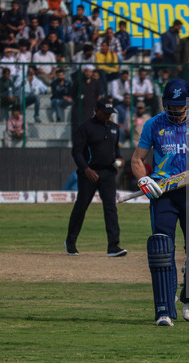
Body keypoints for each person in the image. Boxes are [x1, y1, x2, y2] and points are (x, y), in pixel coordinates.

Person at [130, 79, 189, 327]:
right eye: (172, 105)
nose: (176, 110)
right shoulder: (153, 124)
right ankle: (164, 309)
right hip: (164, 192)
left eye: (181, 106)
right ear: (163, 102)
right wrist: (144, 180)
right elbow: (137, 159)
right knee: (161, 247)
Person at [65, 97, 126, 257]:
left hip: (108, 173)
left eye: (109, 113)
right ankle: (70, 242)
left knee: (110, 208)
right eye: (105, 113)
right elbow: (76, 152)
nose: (107, 116)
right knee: (81, 206)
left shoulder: (114, 128)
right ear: (97, 111)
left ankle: (113, 246)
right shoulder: (86, 128)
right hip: (89, 173)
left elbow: (116, 151)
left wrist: (119, 160)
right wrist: (86, 169)